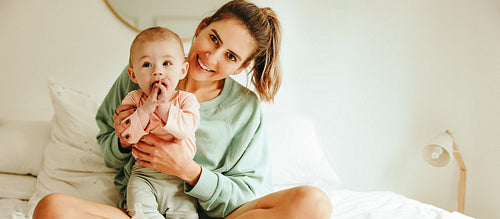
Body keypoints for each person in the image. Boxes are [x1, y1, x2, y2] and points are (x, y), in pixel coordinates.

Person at [32, 0, 333, 218]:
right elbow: (109, 149)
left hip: (209, 215)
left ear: (240, 67)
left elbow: (247, 194)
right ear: (202, 27)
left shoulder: (245, 108)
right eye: (213, 39)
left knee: (314, 203)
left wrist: (188, 170)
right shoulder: (139, 75)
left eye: (230, 56)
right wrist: (124, 140)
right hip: (143, 206)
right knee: (52, 208)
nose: (211, 57)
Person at [117, 26, 200, 218]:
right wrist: (147, 108)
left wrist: (163, 107)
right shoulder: (133, 100)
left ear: (182, 70)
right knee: (141, 213)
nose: (157, 72)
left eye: (167, 63)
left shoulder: (187, 100)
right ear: (133, 75)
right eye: (147, 65)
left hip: (179, 180)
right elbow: (127, 136)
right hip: (143, 177)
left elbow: (186, 129)